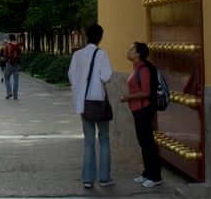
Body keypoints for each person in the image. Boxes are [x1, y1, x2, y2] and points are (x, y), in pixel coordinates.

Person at [67, 23, 114, 189]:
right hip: (98, 102)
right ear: (101, 37)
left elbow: (71, 76)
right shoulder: (101, 54)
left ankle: (87, 178)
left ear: (86, 36)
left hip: (83, 103)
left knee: (88, 141)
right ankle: (104, 177)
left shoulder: (77, 54)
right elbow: (107, 76)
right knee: (104, 139)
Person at [120, 42, 163, 188]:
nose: (129, 50)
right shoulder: (136, 68)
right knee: (143, 142)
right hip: (137, 110)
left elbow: (146, 92)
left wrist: (128, 97)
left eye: (132, 49)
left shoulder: (143, 69)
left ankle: (155, 176)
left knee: (148, 143)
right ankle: (147, 172)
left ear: (138, 54)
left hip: (143, 109)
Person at [2, 34, 22, 99]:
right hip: (17, 64)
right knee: (16, 80)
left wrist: (5, 60)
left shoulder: (7, 45)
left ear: (9, 38)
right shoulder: (18, 45)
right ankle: (15, 94)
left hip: (9, 64)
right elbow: (21, 54)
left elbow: (5, 54)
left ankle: (9, 92)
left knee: (7, 78)